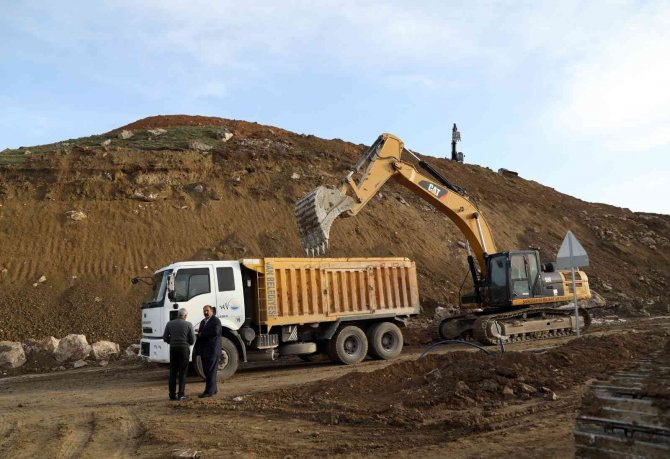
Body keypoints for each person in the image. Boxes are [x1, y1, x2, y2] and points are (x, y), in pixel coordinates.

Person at [162, 308, 195, 401]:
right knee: (182, 372)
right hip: (184, 349)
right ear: (185, 316)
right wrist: (186, 343)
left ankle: (172, 395)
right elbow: (192, 340)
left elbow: (165, 337)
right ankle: (181, 395)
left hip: (173, 349)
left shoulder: (169, 324)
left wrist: (171, 342)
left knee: (173, 372)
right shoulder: (188, 324)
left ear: (178, 315)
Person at [195, 304, 222, 398]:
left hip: (212, 350)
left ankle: (208, 392)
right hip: (204, 351)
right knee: (207, 372)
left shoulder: (216, 321)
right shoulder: (203, 321)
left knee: (211, 371)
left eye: (207, 311)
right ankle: (213, 389)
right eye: (204, 311)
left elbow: (215, 332)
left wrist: (202, 334)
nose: (205, 312)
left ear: (212, 311)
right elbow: (201, 333)